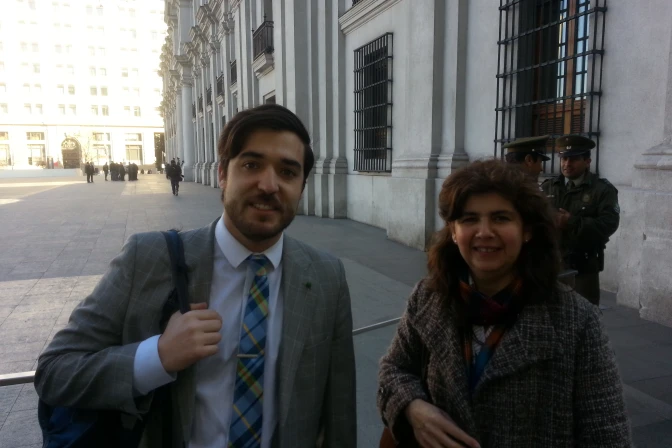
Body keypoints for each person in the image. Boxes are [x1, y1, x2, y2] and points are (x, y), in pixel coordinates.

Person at [35, 104, 357, 447]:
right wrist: (157, 357)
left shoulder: (326, 277)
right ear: (223, 174)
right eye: (251, 165)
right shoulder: (147, 259)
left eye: (288, 172)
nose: (268, 185)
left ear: (301, 187)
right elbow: (55, 371)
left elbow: (339, 413)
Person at [377, 159, 630, 447]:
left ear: (527, 230)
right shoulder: (428, 297)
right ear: (453, 231)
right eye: (469, 219)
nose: (484, 232)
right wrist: (412, 407)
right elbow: (394, 369)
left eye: (501, 218)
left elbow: (608, 438)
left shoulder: (577, 321)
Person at [541, 135, 620, 305]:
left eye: (574, 159)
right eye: (564, 158)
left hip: (583, 267)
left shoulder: (602, 190)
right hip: (552, 264)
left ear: (587, 161)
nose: (567, 164)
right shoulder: (549, 187)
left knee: (584, 314)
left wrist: (572, 222)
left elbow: (609, 224)